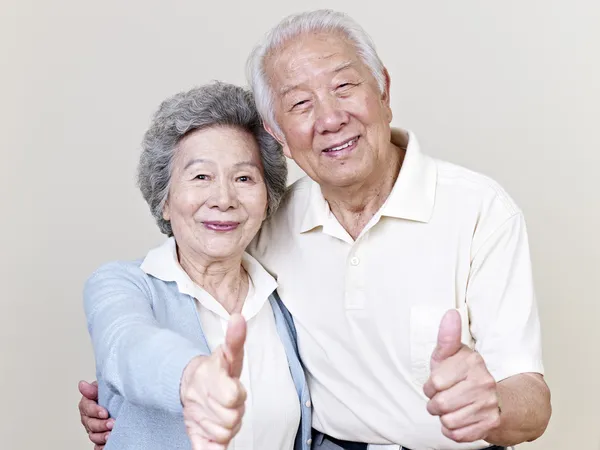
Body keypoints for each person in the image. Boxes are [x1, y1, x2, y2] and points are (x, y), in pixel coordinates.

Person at [79, 9, 551, 450]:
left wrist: (493, 405)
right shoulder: (254, 229)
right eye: (300, 103)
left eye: (344, 86)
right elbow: (132, 335)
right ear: (279, 133)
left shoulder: (479, 208)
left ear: (383, 89)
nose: (329, 118)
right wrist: (146, 391)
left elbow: (531, 398)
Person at [81, 81, 312, 450]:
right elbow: (125, 346)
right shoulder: (122, 284)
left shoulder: (284, 299)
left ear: (267, 200)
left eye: (244, 178)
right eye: (201, 176)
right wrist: (193, 377)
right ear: (165, 201)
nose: (223, 198)